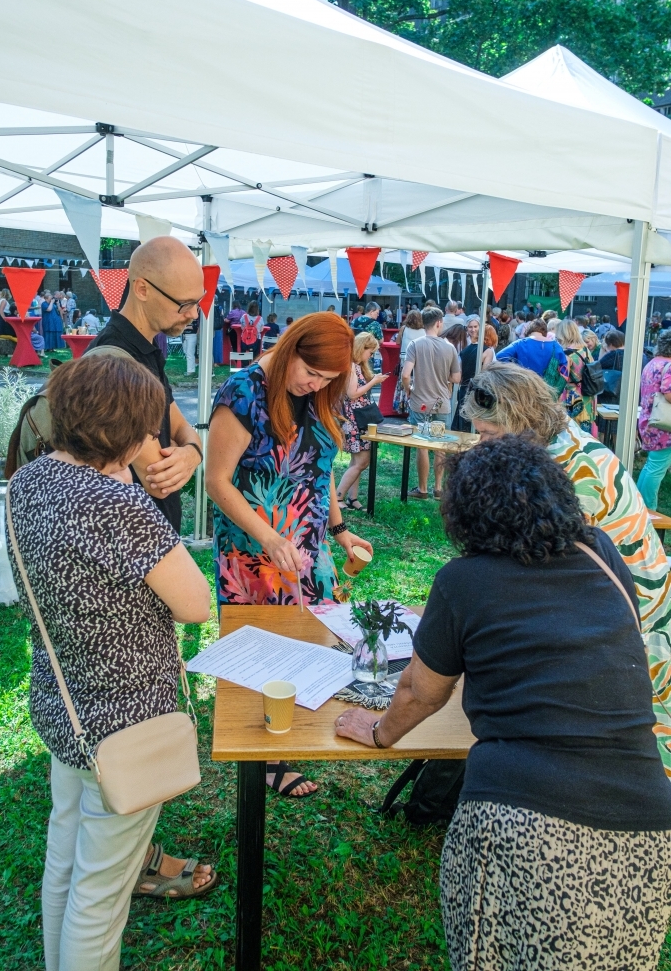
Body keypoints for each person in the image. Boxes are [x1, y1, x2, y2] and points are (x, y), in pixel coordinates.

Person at [334, 435, 671, 970]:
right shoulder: (599, 550)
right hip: (648, 820)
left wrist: (377, 732)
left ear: (465, 513)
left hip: (521, 818)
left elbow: (422, 691)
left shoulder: (463, 580)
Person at [7, 354, 215, 971]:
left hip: (66, 699)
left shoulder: (31, 479)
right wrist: (133, 493)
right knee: (100, 893)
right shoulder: (116, 504)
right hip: (128, 718)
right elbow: (196, 603)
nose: (154, 440)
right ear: (122, 430)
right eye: (148, 429)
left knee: (66, 860)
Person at [461, 363, 671, 771]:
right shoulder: (558, 444)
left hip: (633, 629)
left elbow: (547, 575)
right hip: (616, 613)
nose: (481, 445)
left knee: (631, 760)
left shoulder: (569, 474)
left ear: (519, 420)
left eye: (487, 435)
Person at [206, 313, 372, 798]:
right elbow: (217, 482)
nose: (315, 385)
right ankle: (266, 758)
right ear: (292, 348)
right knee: (259, 648)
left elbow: (320, 474)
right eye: (311, 373)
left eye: (326, 380)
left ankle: (288, 730)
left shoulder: (319, 396)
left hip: (308, 546)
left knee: (311, 639)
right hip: (253, 552)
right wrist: (270, 537)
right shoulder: (242, 394)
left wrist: (340, 531)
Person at [89, 237, 204, 536]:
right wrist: (190, 450)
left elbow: (180, 427)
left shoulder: (146, 348)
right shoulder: (112, 360)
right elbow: (159, 480)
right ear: (142, 289)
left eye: (198, 302)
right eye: (185, 304)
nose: (193, 314)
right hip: (130, 546)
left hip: (153, 540)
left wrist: (191, 452)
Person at [401, 307, 461, 500]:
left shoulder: (415, 345)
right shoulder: (450, 348)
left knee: (422, 445)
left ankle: (422, 488)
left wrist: (408, 388)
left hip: (420, 402)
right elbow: (457, 378)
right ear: (438, 323)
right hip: (442, 403)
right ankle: (438, 488)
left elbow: (405, 374)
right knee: (440, 446)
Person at [337, 332, 389, 510]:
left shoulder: (355, 366)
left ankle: (352, 498)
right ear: (362, 348)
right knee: (362, 461)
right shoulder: (352, 367)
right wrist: (374, 381)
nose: (371, 355)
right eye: (370, 352)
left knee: (356, 461)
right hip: (355, 419)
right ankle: (338, 497)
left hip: (356, 419)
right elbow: (352, 394)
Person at [637, 331, 671, 509]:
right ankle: (649, 512)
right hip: (665, 426)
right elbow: (668, 393)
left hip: (649, 421)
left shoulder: (652, 363)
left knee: (652, 465)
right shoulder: (669, 365)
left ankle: (639, 505)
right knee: (657, 468)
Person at [452, 321, 496, 433]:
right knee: (476, 424)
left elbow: (459, 375)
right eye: (471, 327)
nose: (473, 329)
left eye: (475, 327)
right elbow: (484, 375)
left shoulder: (463, 351)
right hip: (477, 390)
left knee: (463, 424)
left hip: (463, 389)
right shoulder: (488, 351)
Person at [556, 318, 597, 434]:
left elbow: (562, 379)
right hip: (588, 396)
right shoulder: (585, 349)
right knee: (585, 435)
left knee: (572, 434)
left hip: (572, 398)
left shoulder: (566, 354)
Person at [496, 317, 568, 382]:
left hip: (524, 386)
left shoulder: (520, 343)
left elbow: (500, 356)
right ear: (545, 332)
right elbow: (564, 370)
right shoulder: (556, 346)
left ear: (528, 330)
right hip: (547, 389)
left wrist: (515, 371)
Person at [597, 328, 626, 403]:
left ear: (611, 344)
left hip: (613, 395)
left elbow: (597, 367)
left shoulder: (613, 354)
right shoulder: (637, 354)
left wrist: (602, 350)